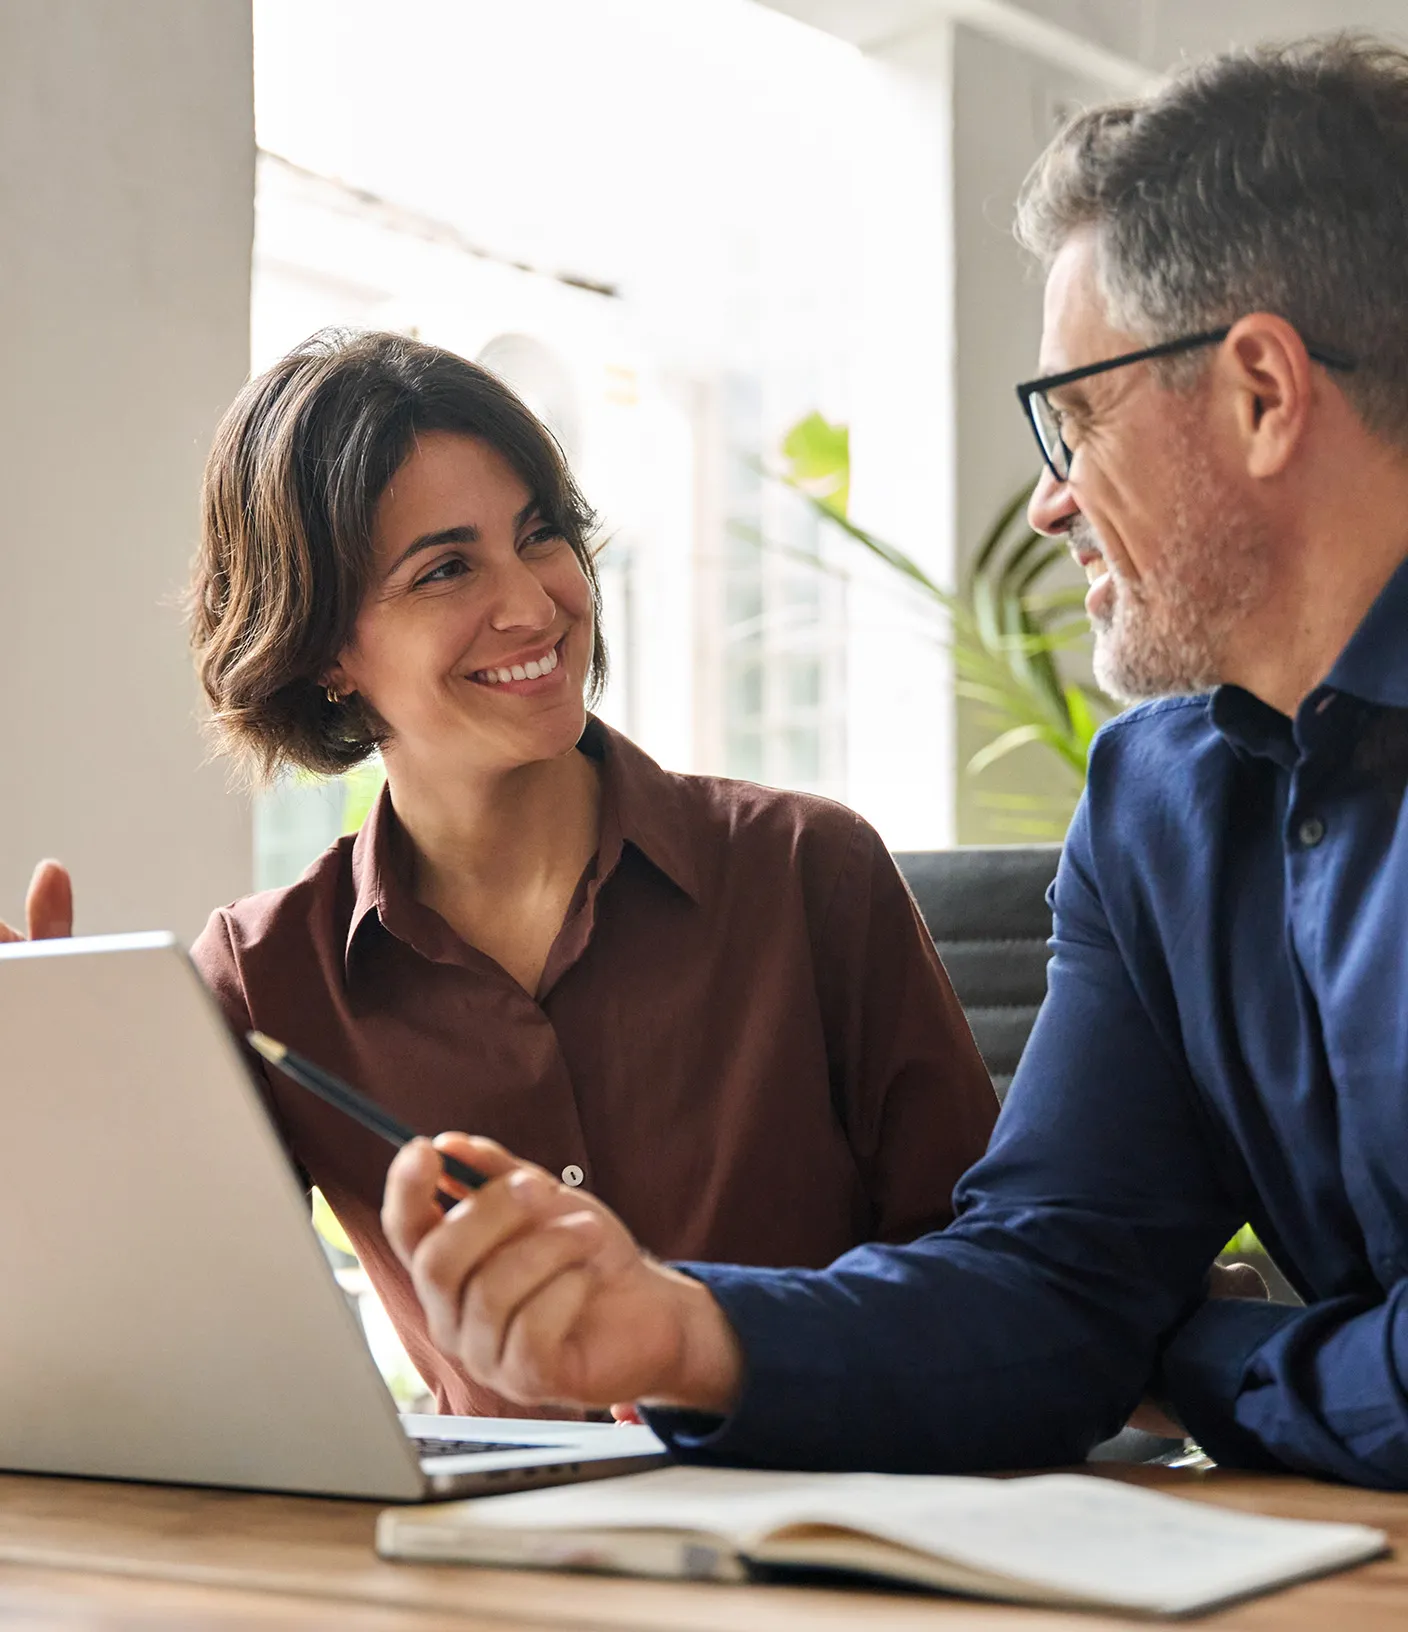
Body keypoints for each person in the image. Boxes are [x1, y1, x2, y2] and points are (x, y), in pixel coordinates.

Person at [377, 33, 1408, 1487]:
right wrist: (674, 1331)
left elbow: (1124, 1333)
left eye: (1077, 413)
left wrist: (1184, 1355)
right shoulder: (1158, 807)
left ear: (1260, 393)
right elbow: (1052, 1285)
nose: (1049, 503)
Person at [0, 330, 996, 1418]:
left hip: (828, 1535)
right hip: (480, 1572)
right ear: (325, 648)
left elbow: (988, 1295)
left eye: (542, 537)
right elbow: (172, 1351)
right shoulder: (262, 977)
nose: (533, 605)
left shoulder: (808, 871)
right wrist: (56, 1103)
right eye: (445, 568)